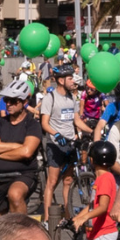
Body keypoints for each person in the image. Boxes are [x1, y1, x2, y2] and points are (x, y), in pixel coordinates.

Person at [0, 80, 45, 216]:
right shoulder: (0, 123)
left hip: (24, 174)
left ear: (24, 102)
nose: (8, 104)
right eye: (6, 100)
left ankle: (22, 233)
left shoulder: (32, 125)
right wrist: (16, 146)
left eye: (13, 101)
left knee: (15, 195)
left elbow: (26, 152)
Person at [38, 67, 84, 226]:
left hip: (70, 143)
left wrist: (93, 129)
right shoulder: (49, 98)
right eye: (70, 78)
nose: (73, 81)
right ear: (60, 80)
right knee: (52, 182)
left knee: (68, 181)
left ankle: (67, 214)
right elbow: (44, 123)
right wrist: (56, 134)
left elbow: (77, 121)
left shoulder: (73, 98)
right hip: (55, 145)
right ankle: (46, 218)